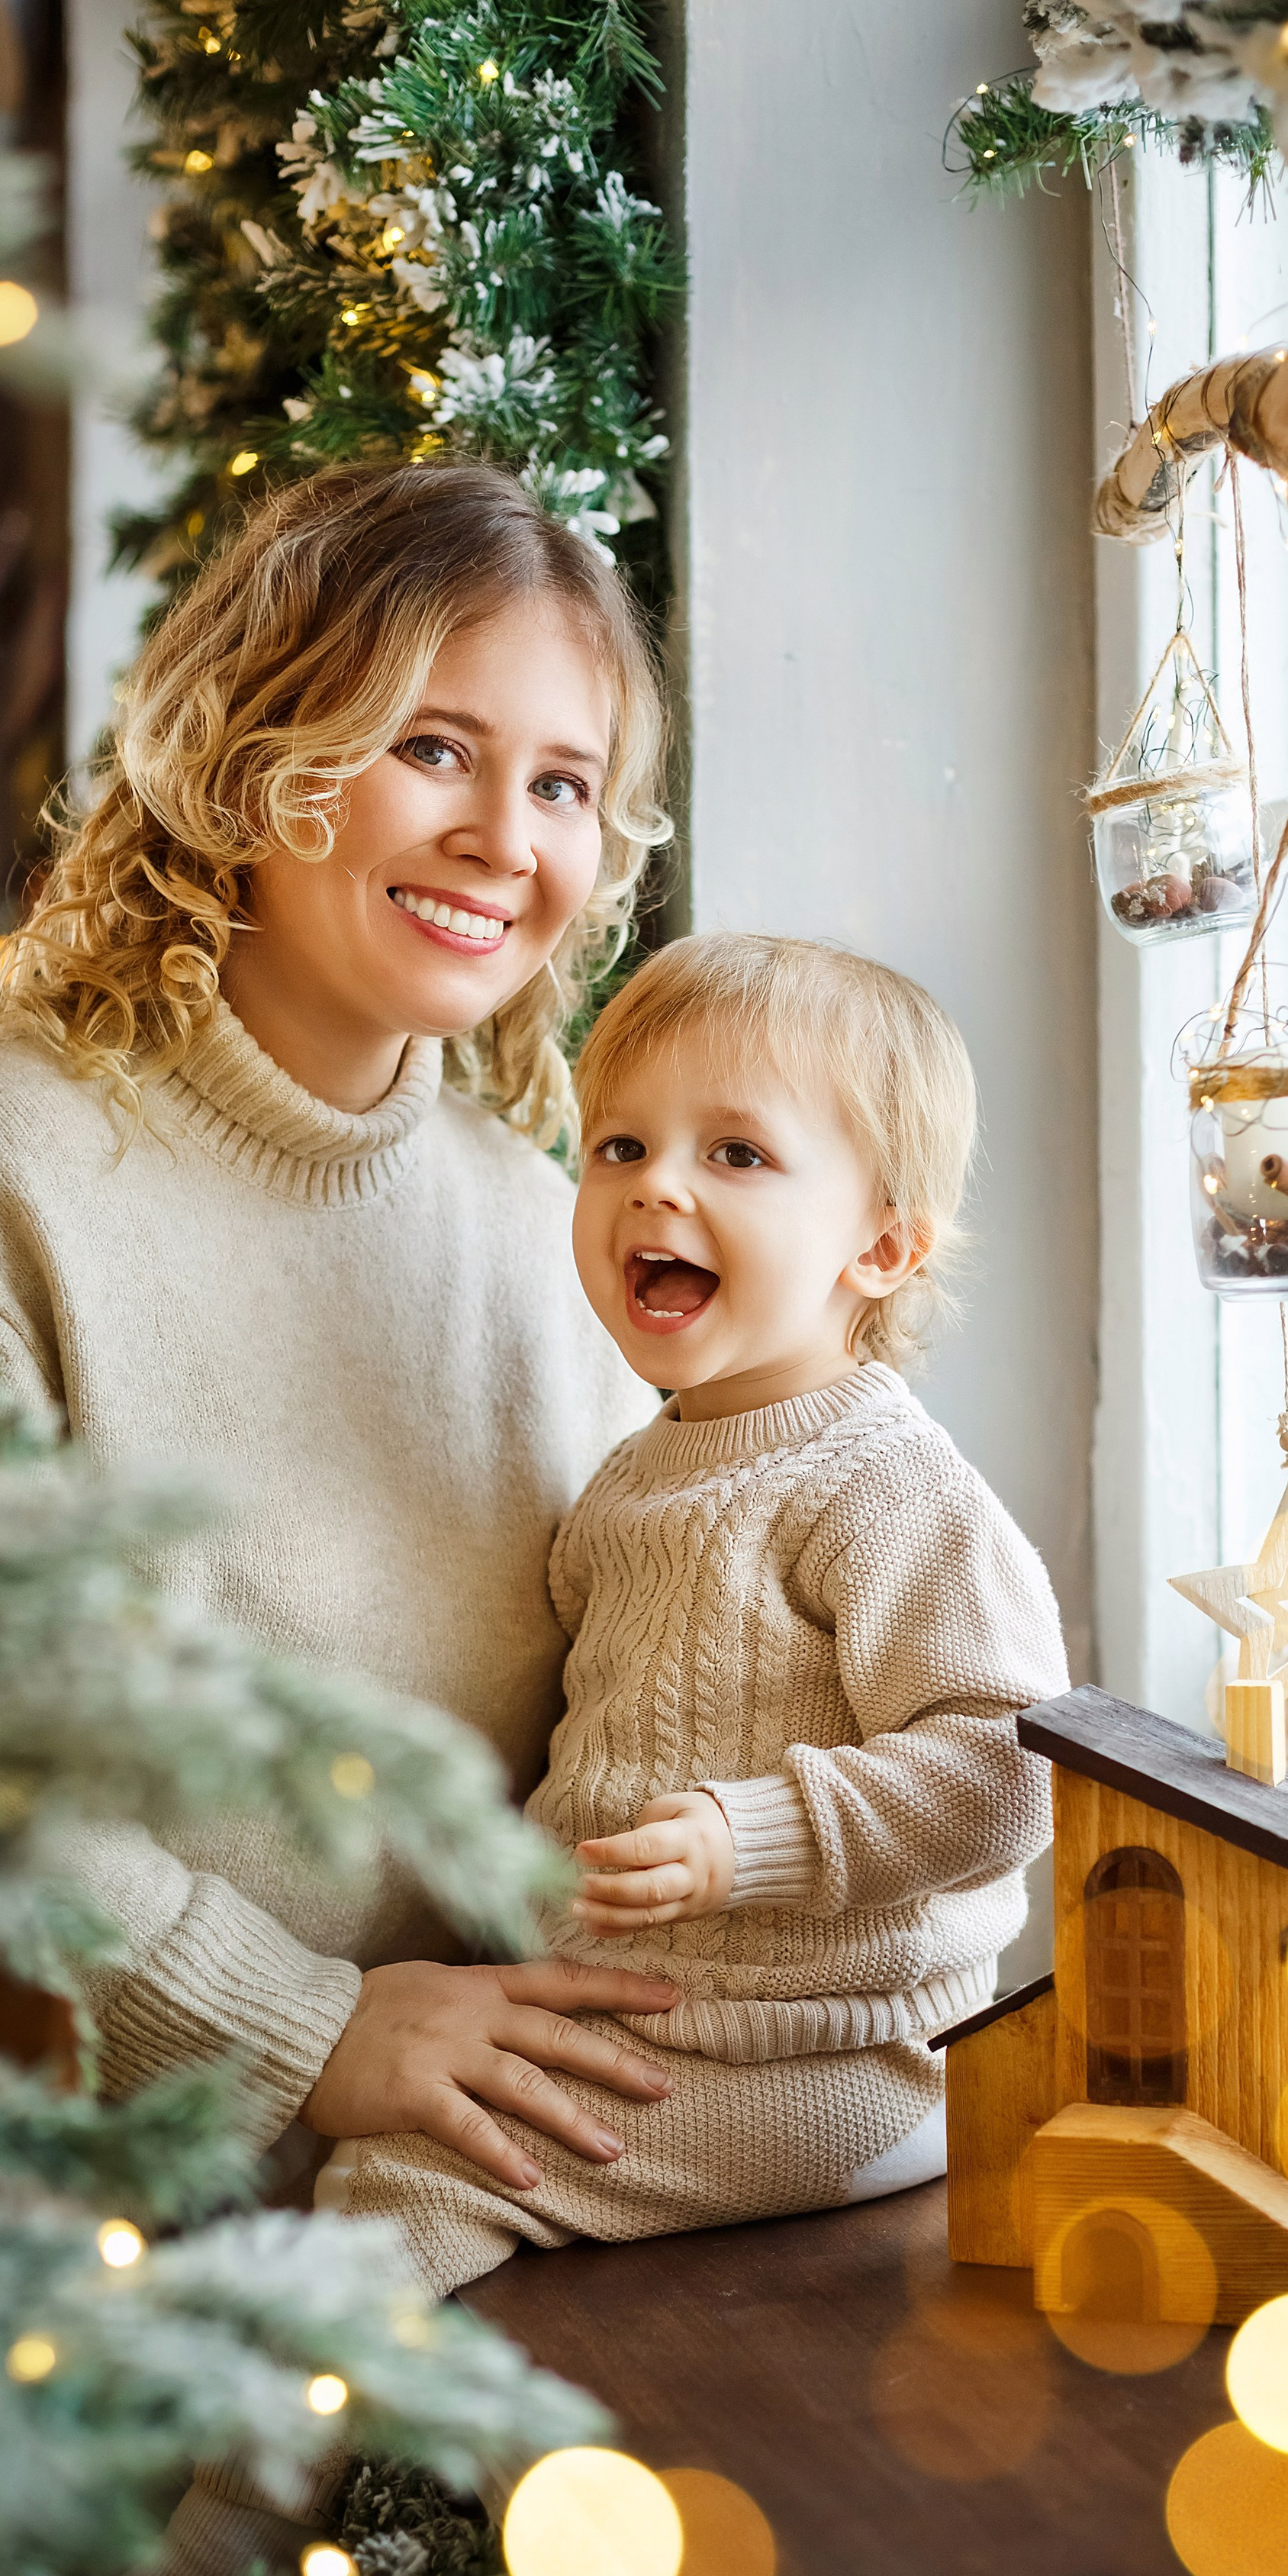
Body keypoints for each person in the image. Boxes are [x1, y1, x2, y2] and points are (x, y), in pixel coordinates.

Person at [0, 460, 694, 2225]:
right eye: (432, 746)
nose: (506, 839)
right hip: (20, 2251)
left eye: (563, 783)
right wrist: (292, 2029)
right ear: (256, 754)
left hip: (459, 2225)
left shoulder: (542, 1228)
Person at [336, 932, 1071, 2292]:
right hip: (654, 2015)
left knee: (405, 2182)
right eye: (619, 1146)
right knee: (385, 2121)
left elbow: (1012, 1767)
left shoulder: (884, 1484)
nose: (655, 1184)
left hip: (824, 2056)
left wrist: (756, 1838)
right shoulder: (634, 1474)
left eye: (735, 1154)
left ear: (882, 1246)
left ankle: (241, 2443)